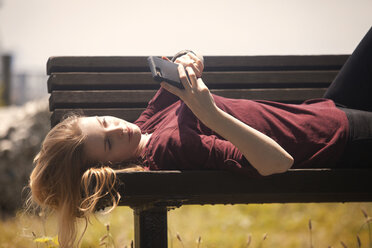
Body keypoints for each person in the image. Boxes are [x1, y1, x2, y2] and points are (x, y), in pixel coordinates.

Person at [28, 27, 372, 247]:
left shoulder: (145, 126)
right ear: (110, 166)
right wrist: (210, 114)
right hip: (338, 137)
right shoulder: (169, 148)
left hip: (327, 108)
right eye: (108, 143)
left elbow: (182, 67)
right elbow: (278, 163)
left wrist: (188, 61)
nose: (118, 128)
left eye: (104, 122)